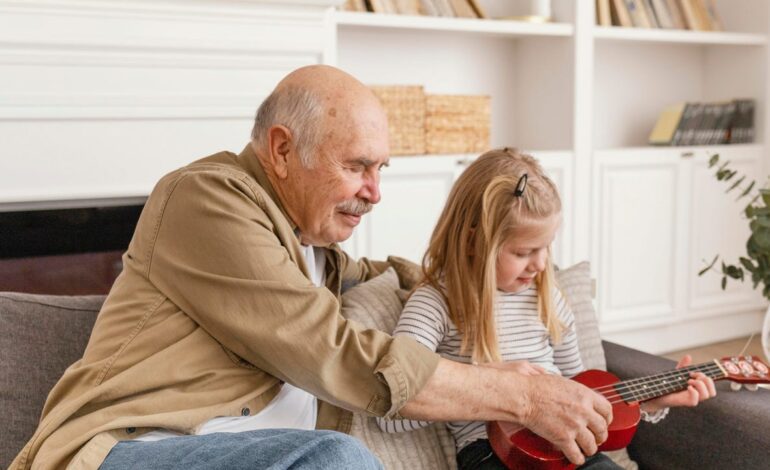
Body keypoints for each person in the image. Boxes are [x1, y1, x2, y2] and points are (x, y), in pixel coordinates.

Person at [14, 66, 614, 470]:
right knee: (335, 460)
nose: (374, 192)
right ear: (281, 150)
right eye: (357, 166)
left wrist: (469, 272)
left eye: (382, 169)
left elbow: (387, 273)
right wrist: (518, 395)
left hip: (262, 456)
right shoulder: (205, 200)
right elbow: (335, 350)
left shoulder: (314, 255)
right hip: (138, 450)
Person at [375, 148, 718, 469]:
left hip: (567, 448)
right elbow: (392, 410)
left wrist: (652, 401)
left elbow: (583, 395)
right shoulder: (435, 303)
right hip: (491, 455)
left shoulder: (548, 298)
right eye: (523, 252)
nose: (540, 265)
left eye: (546, 247)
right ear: (471, 241)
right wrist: (489, 383)